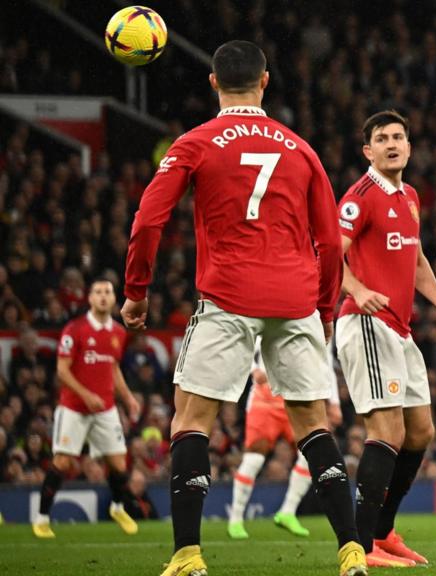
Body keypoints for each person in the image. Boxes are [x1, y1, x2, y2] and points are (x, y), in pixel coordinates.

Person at [122, 41, 366, 576]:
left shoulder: (195, 143)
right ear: (265, 82)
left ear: (213, 84)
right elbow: (329, 240)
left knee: (191, 422)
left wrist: (137, 291)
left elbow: (147, 221)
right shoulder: (301, 149)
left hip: (228, 297)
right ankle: (351, 551)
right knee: (313, 426)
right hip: (296, 300)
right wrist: (323, 312)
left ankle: (188, 556)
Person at [334, 110, 436, 567]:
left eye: (398, 136)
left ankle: (382, 533)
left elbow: (416, 260)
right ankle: (361, 546)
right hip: (364, 323)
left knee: (420, 431)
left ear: (409, 144)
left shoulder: (410, 197)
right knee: (387, 432)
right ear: (369, 151)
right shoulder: (358, 198)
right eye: (382, 139)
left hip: (399, 329)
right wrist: (357, 289)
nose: (392, 144)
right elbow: (328, 256)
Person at [32, 279, 141, 539]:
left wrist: (128, 397)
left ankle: (117, 508)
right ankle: (42, 518)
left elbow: (112, 368)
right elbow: (62, 370)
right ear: (90, 299)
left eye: (107, 292)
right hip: (74, 408)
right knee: (63, 461)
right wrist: (85, 394)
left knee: (118, 464)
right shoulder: (75, 329)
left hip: (105, 408)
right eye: (98, 292)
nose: (103, 297)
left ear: (114, 299)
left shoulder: (118, 332)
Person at [227, 336, 343, 540]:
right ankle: (235, 519)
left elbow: (324, 361)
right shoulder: (277, 306)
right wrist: (254, 368)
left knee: (310, 454)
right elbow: (250, 338)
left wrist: (334, 401)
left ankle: (287, 511)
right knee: (255, 457)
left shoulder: (323, 320)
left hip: (298, 395)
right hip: (266, 396)